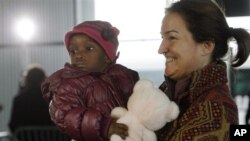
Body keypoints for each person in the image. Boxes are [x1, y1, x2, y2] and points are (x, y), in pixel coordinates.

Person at [155, 0, 250, 140]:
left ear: (206, 46)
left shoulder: (216, 111)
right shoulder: (169, 93)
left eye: (172, 37)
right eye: (163, 38)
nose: (161, 49)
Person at [41, 20, 139, 141]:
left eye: (88, 48)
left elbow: (136, 99)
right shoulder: (70, 83)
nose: (78, 55)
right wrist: (103, 126)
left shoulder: (121, 75)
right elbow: (66, 115)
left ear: (107, 56)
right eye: (73, 51)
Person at [8, 64, 54, 133]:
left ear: (27, 80)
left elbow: (12, 125)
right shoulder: (51, 99)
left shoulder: (19, 99)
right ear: (43, 80)